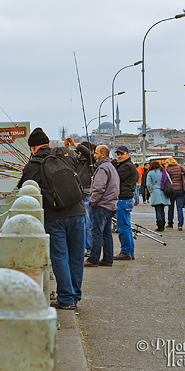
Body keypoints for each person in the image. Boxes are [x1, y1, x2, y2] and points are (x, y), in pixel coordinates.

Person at [17, 128, 85, 310]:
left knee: (60, 256)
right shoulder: (66, 154)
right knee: (76, 256)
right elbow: (83, 163)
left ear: (33, 148)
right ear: (47, 143)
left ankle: (66, 298)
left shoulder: (32, 165)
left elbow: (22, 191)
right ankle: (75, 295)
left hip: (54, 216)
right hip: (78, 211)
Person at [86, 145, 119, 267]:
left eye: (96, 153)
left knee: (97, 232)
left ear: (103, 155)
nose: (94, 155)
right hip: (110, 205)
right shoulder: (111, 167)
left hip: (101, 205)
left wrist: (92, 201)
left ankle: (93, 259)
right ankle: (107, 258)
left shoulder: (102, 168)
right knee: (106, 233)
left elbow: (99, 188)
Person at [111, 146, 138, 260]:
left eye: (121, 154)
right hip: (125, 198)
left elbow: (114, 177)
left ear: (127, 154)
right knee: (126, 226)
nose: (119, 156)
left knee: (122, 227)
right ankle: (129, 251)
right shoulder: (127, 165)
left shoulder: (126, 166)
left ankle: (126, 251)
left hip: (123, 199)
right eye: (117, 154)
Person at [164, 157, 185, 230]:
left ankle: (170, 224)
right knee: (180, 208)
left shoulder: (167, 170)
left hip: (171, 190)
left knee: (170, 207)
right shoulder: (180, 168)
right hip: (180, 189)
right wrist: (184, 180)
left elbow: (164, 178)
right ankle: (180, 225)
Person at [145, 160, 167, 232]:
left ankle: (159, 226)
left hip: (155, 191)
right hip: (163, 192)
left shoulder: (150, 173)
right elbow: (170, 181)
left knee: (157, 209)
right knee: (162, 209)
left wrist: (151, 190)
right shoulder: (164, 172)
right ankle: (163, 224)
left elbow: (148, 184)